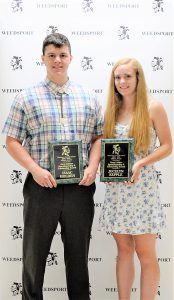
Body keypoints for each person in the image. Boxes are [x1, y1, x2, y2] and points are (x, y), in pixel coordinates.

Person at [2, 33, 103, 300]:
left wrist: (93, 166)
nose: (57, 60)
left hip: (80, 188)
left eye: (62, 55)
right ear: (42, 58)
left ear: (71, 57)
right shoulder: (26, 98)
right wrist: (35, 169)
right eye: (51, 55)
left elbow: (98, 137)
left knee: (79, 258)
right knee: (33, 256)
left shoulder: (89, 97)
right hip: (40, 187)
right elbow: (12, 141)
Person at [98, 58, 172, 300]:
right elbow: (104, 147)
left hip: (143, 191)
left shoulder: (153, 107)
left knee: (146, 253)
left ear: (138, 78)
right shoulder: (110, 111)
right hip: (118, 192)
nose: (122, 82)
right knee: (124, 250)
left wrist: (141, 163)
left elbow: (167, 146)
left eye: (128, 76)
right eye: (118, 77)